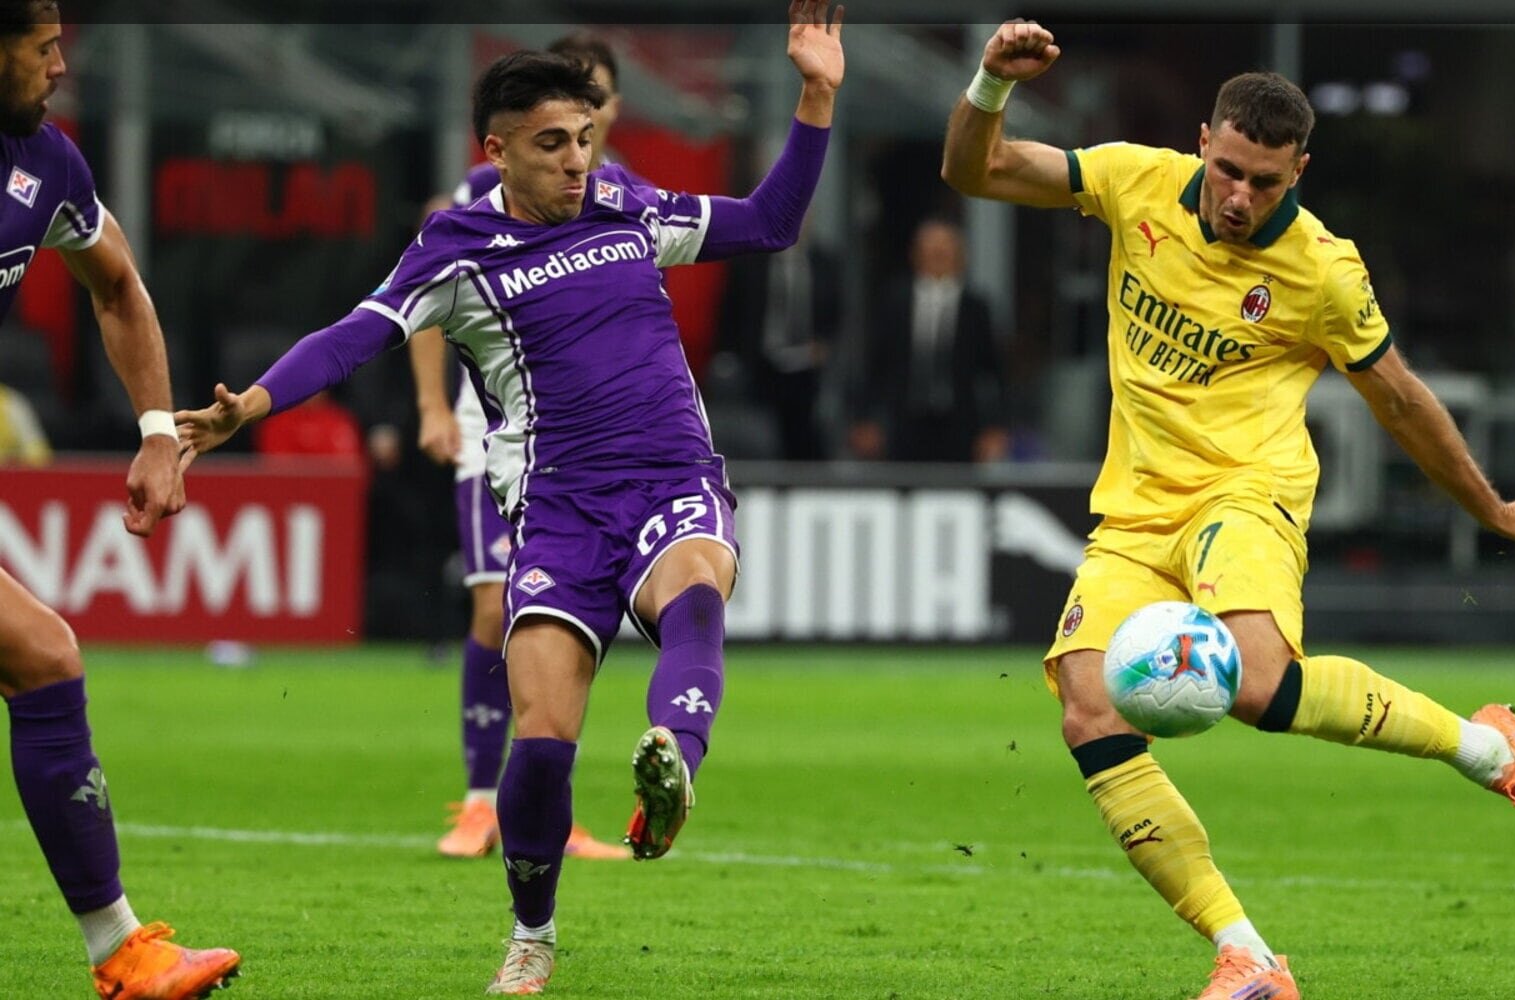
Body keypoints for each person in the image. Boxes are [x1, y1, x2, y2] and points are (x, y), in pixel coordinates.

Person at [178, 5, 843, 992]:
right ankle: (532, 934)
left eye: (584, 137)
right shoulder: (455, 248)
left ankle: (674, 758)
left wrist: (816, 94)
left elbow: (771, 222)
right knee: (539, 745)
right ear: (495, 152)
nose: (577, 161)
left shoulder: (625, 202)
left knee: (697, 591)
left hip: (671, 476)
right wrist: (252, 405)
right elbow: (351, 337)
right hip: (561, 509)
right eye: (551, 145)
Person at [941, 22, 1515, 1000]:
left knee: (1258, 687)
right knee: (1088, 709)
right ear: (1202, 142)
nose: (1239, 197)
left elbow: (1399, 399)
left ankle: (1492, 750)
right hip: (1136, 513)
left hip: (1245, 492)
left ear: (1299, 170)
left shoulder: (1323, 270)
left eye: (1263, 180)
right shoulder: (1132, 180)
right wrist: (991, 84)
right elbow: (975, 170)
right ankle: (1246, 955)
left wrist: (1495, 511)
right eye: (1227, 171)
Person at [0, 4, 241, 998]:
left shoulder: (45, 164)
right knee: (44, 654)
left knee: (42, 657)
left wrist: (156, 433)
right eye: (42, 46)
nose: (62, 64)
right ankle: (120, 951)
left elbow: (118, 286)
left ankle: (122, 951)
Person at [409, 33, 629, 865]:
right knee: (495, 607)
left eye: (596, 102)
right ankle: (477, 801)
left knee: (567, 622)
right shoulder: (485, 190)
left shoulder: (621, 196)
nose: (584, 126)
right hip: (494, 434)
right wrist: (433, 405)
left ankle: (547, 804)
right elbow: (420, 298)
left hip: (587, 446)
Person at [848, 217, 1007, 463]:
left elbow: (994, 371)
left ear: (960, 256)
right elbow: (875, 364)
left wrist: (995, 427)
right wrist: (864, 419)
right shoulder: (895, 302)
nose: (938, 256)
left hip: (960, 425)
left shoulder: (976, 308)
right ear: (916, 254)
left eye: (945, 250)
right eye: (931, 250)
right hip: (904, 423)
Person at [716, 215, 841, 459]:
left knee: (805, 440)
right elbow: (731, 313)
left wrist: (824, 343)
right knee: (761, 442)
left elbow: (835, 312)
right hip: (760, 367)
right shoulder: (750, 260)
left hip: (807, 370)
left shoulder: (824, 263)